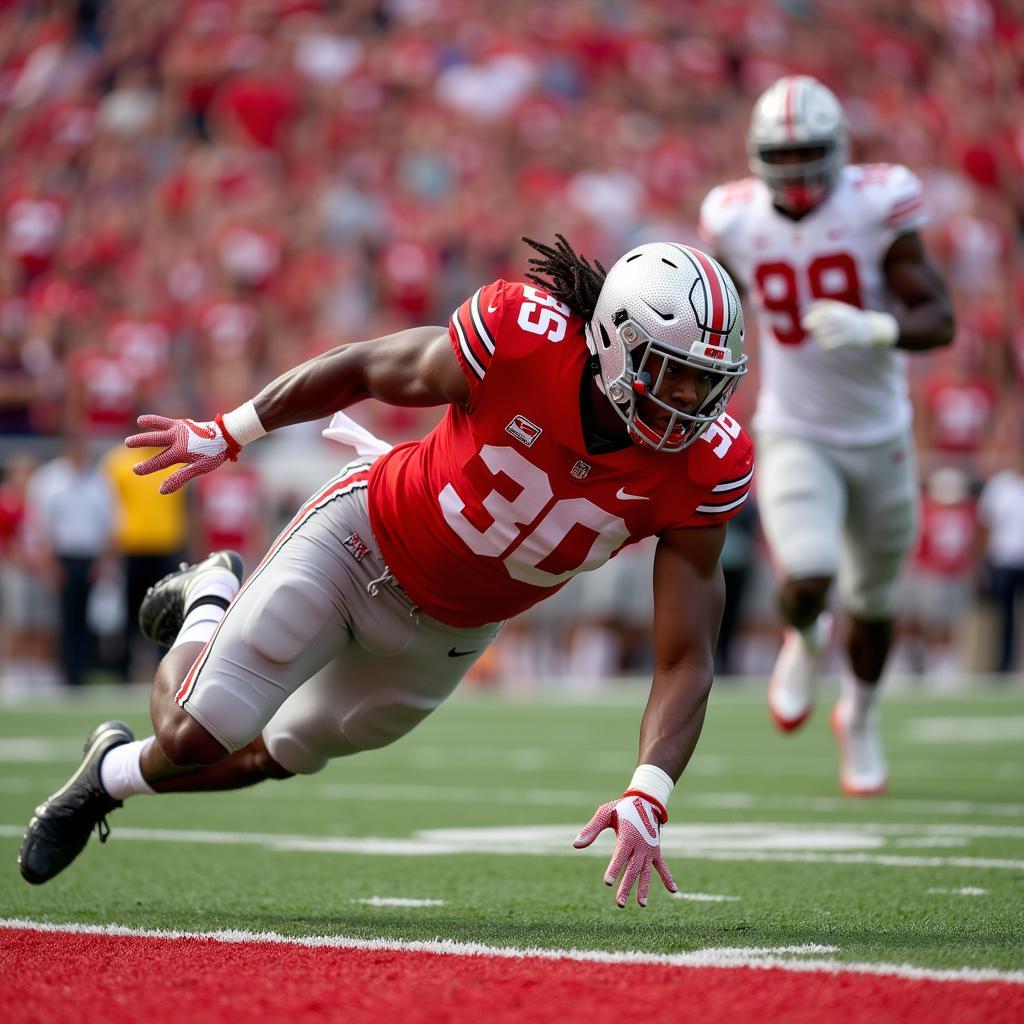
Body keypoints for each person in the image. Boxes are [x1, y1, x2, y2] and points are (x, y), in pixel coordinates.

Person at [18, 236, 753, 909]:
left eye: (707, 382)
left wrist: (648, 793)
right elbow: (367, 365)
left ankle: (105, 779)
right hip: (360, 539)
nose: (690, 401)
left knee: (274, 757)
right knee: (193, 734)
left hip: (450, 634)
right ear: (614, 342)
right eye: (674, 373)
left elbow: (686, 654)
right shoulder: (523, 339)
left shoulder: (707, 464)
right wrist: (230, 430)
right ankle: (209, 594)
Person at [699, 75, 954, 795]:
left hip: (880, 435)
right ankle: (804, 639)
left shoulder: (878, 200)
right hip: (794, 427)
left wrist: (874, 325)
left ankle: (861, 716)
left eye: (810, 151)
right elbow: (715, 309)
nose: (798, 168)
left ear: (838, 149)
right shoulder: (733, 216)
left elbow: (940, 318)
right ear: (756, 156)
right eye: (784, 154)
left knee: (874, 603)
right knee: (808, 574)